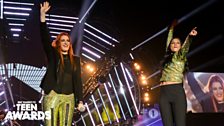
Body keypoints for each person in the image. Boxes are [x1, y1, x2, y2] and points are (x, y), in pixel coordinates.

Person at [39, 2, 85, 126]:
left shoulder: (75, 60)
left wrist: (80, 100)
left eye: (68, 41)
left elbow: (77, 81)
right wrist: (42, 15)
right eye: (62, 40)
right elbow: (45, 37)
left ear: (70, 44)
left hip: (69, 98)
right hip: (52, 95)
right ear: (58, 43)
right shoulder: (53, 55)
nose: (65, 42)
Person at [159, 20, 197, 126]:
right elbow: (168, 40)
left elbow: (185, 47)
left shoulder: (180, 56)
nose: (175, 44)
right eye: (173, 43)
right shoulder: (167, 57)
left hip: (177, 92)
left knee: (180, 124)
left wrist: (190, 36)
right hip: (164, 93)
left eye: (178, 43)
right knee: (167, 124)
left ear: (180, 46)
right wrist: (171, 29)